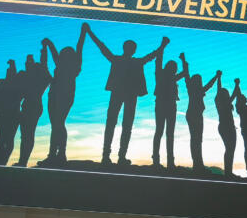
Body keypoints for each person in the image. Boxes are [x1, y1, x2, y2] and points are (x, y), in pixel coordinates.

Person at [86, 25, 164, 166]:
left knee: (119, 124)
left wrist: (162, 46)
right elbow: (102, 47)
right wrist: (162, 46)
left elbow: (102, 48)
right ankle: (112, 156)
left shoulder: (124, 60)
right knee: (119, 124)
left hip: (126, 94)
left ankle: (115, 156)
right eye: (131, 48)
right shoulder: (128, 61)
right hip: (124, 94)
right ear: (130, 49)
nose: (132, 50)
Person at [38, 24, 86, 167]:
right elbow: (54, 53)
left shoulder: (75, 65)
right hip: (53, 94)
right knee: (55, 124)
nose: (63, 54)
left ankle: (61, 154)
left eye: (65, 53)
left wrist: (83, 32)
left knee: (58, 123)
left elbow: (80, 46)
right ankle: (53, 154)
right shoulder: (60, 63)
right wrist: (49, 43)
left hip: (65, 94)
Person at [179, 53, 220, 172]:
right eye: (199, 80)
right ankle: (197, 165)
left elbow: (209, 85)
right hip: (193, 115)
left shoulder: (196, 89)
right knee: (196, 139)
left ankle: (198, 164)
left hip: (195, 115)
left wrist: (216, 77)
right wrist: (183, 60)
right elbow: (187, 74)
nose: (200, 81)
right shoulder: (192, 88)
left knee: (197, 139)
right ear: (197, 81)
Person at [15, 47, 51, 167]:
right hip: (29, 106)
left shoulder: (39, 78)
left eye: (29, 64)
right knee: (25, 135)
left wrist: (44, 51)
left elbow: (44, 63)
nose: (26, 65)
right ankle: (22, 161)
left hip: (33, 106)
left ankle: (23, 161)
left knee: (27, 135)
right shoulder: (29, 78)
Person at [152, 37, 185, 169]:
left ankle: (169, 162)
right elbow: (158, 59)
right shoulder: (160, 74)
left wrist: (183, 60)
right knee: (161, 131)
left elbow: (184, 72)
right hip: (162, 104)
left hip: (169, 105)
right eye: (173, 67)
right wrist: (163, 45)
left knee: (167, 132)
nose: (174, 69)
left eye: (175, 67)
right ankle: (158, 161)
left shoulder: (172, 77)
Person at [214, 72, 237, 178]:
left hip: (225, 127)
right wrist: (219, 78)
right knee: (230, 150)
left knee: (230, 149)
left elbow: (233, 93)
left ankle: (228, 172)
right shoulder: (224, 103)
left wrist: (237, 85)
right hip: (227, 127)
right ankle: (228, 172)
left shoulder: (223, 103)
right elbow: (219, 90)